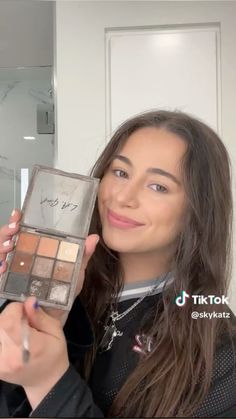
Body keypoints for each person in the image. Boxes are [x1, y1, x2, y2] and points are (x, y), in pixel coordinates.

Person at [0, 109, 236, 417]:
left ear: (198, 210)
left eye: (158, 186)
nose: (124, 196)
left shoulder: (220, 350)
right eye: (121, 172)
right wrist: (22, 308)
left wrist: (49, 384)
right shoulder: (68, 290)